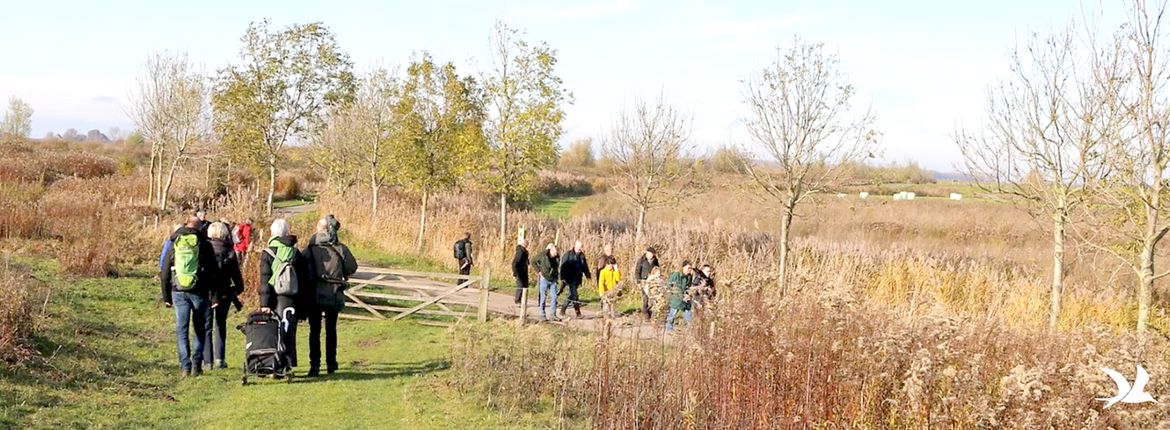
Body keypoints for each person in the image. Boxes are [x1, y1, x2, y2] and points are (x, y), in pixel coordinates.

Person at [160, 217, 218, 377]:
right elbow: (214, 272)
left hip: (178, 291)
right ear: (200, 228)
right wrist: (214, 296)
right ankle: (197, 364)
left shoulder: (175, 242)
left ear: (185, 225)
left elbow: (165, 271)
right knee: (200, 329)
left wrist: (166, 296)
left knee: (182, 329)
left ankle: (185, 365)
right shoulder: (205, 244)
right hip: (200, 291)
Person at [303, 217, 358, 377]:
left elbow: (302, 269)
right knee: (331, 330)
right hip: (334, 293)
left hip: (314, 294)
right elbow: (352, 267)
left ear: (319, 229)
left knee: (314, 331)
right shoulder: (340, 248)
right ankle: (331, 364)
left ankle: (314, 366)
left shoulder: (309, 249)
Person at [259, 218, 312, 370]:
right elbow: (303, 279)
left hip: (274, 299)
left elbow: (265, 279)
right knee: (289, 332)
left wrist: (264, 304)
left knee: (274, 332)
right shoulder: (295, 252)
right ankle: (289, 363)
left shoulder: (268, 252)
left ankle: (275, 363)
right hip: (292, 298)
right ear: (286, 232)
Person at [202, 222, 245, 370]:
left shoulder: (204, 249)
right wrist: (238, 289)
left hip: (207, 291)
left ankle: (207, 361)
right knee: (220, 324)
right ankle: (220, 358)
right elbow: (236, 274)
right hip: (225, 292)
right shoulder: (229, 250)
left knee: (207, 326)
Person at [558, 240, 591, 319]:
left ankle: (562, 311)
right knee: (574, 295)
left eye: (581, 247)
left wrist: (587, 274)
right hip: (569, 278)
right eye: (579, 247)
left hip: (577, 278)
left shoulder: (582, 256)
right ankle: (578, 313)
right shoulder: (568, 254)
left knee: (571, 295)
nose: (580, 248)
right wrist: (563, 278)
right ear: (575, 246)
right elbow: (563, 267)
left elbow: (584, 266)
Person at [533, 243, 561, 321]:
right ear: (551, 251)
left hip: (553, 280)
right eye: (555, 252)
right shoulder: (543, 256)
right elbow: (533, 261)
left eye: (557, 253)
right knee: (543, 296)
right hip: (544, 279)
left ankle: (553, 314)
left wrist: (556, 278)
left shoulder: (557, 258)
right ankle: (542, 313)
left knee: (554, 296)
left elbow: (556, 268)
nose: (556, 254)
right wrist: (539, 271)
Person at [666, 261, 695, 332]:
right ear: (683, 267)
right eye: (688, 268)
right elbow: (668, 284)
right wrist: (672, 293)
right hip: (676, 298)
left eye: (690, 268)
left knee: (688, 314)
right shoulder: (676, 275)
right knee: (672, 314)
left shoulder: (689, 276)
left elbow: (689, 286)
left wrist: (688, 294)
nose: (689, 270)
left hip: (685, 298)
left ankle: (690, 329)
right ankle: (669, 329)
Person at [634, 247, 660, 321]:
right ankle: (645, 314)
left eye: (652, 254)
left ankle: (651, 313)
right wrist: (638, 282)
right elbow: (637, 271)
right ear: (647, 253)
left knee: (652, 298)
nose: (651, 255)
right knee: (645, 298)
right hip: (644, 281)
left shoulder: (655, 260)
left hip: (652, 281)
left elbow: (657, 269)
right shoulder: (641, 260)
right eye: (649, 254)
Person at [512, 238, 530, 305]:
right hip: (519, 272)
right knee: (520, 286)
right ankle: (517, 300)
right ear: (523, 244)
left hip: (524, 272)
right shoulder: (520, 251)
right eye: (526, 244)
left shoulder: (525, 251)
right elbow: (515, 262)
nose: (527, 245)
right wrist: (515, 273)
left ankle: (522, 300)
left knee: (525, 286)